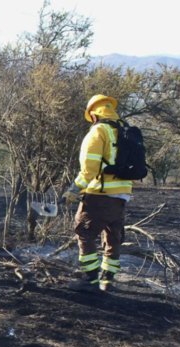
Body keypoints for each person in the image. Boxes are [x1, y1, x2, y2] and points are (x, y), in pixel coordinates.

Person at [63, 94, 134, 292]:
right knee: (113, 238)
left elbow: (89, 169)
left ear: (93, 115)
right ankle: (107, 281)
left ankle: (89, 280)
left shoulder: (98, 132)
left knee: (84, 233)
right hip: (121, 196)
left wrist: (74, 189)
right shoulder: (124, 132)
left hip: (99, 195)